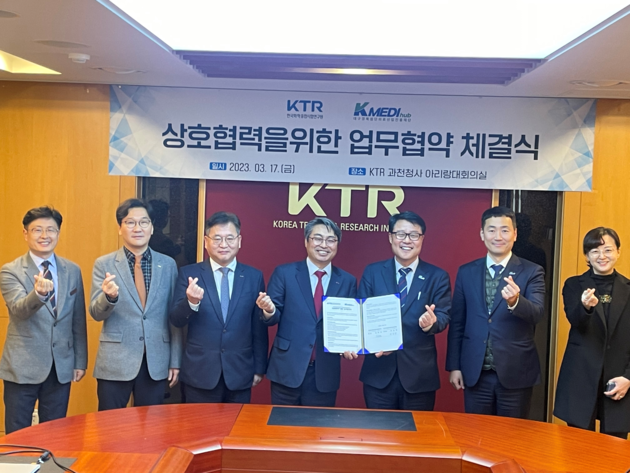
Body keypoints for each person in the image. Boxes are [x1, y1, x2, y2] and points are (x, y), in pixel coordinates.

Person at [446, 206, 545, 419]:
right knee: (476, 434)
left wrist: (516, 301)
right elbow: (458, 322)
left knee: (512, 435)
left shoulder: (532, 271)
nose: (498, 236)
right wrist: (454, 366)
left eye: (505, 230)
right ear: (482, 234)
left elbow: (537, 313)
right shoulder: (466, 271)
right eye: (491, 230)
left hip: (515, 373)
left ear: (515, 234)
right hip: (476, 373)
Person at [0, 206, 87, 434]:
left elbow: (78, 319)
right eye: (37, 230)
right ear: (25, 233)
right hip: (22, 366)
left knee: (55, 433)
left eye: (51, 230)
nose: (44, 235)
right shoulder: (10, 271)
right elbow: (19, 310)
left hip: (60, 366)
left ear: (58, 233)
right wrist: (38, 295)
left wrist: (80, 361)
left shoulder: (72, 270)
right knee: (18, 433)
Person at [89, 198, 182, 411]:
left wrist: (175, 360)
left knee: (152, 426)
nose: (137, 228)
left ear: (152, 228)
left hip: (155, 361)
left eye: (144, 222)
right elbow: (95, 312)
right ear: (120, 228)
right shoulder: (104, 264)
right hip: (115, 361)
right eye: (130, 222)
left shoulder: (168, 265)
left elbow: (174, 316)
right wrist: (109, 297)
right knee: (111, 425)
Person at [169, 211, 268, 403]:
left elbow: (258, 327)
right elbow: (176, 319)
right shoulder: (189, 274)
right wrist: (191, 302)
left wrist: (259, 367)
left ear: (239, 241)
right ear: (206, 242)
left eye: (229, 238)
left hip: (240, 371)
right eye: (217, 239)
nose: (224, 245)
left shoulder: (253, 276)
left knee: (238, 422)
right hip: (200, 373)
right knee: (201, 423)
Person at [256, 218, 356, 407]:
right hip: (287, 368)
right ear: (306, 241)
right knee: (282, 424)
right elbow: (272, 316)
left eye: (331, 240)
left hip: (324, 373)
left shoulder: (347, 281)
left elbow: (348, 322)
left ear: (337, 244)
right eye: (318, 238)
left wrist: (350, 345)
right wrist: (269, 310)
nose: (324, 245)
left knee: (318, 425)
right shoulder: (285, 273)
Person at [358, 211, 451, 410]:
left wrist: (431, 323)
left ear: (422, 239)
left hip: (419, 376)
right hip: (378, 374)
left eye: (414, 235)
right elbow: (362, 316)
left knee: (417, 430)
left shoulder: (437, 276)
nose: (407, 240)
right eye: (400, 234)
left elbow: (443, 315)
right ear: (390, 237)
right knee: (378, 429)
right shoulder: (373, 272)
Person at [554, 227, 630, 439]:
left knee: (615, 449)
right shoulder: (573, 285)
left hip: (619, 379)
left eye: (608, 250)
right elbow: (576, 321)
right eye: (595, 251)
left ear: (618, 252)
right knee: (578, 446)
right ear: (587, 255)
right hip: (580, 377)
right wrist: (585, 307)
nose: (602, 256)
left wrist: (628, 377)